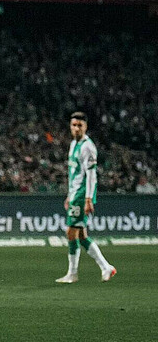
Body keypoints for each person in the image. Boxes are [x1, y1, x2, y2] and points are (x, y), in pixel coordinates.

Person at [56, 112, 116, 283]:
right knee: (81, 235)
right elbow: (73, 173)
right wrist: (69, 194)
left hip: (83, 195)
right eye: (73, 125)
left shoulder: (87, 147)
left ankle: (73, 273)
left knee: (71, 232)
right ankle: (106, 267)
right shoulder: (73, 144)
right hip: (75, 193)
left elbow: (91, 176)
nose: (76, 128)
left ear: (85, 127)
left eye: (79, 125)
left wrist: (88, 199)